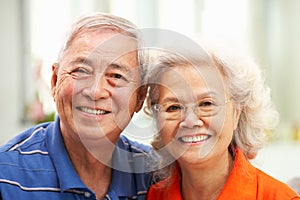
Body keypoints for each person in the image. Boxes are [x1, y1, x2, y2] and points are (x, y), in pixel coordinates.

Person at [0, 12, 154, 200]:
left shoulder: (153, 177)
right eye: (81, 71)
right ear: (55, 81)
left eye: (116, 76)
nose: (96, 92)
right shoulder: (5, 175)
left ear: (140, 98)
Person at [144, 42, 300, 199]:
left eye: (206, 104)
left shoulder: (279, 197)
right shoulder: (154, 195)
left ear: (236, 114)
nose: (190, 121)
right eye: (174, 107)